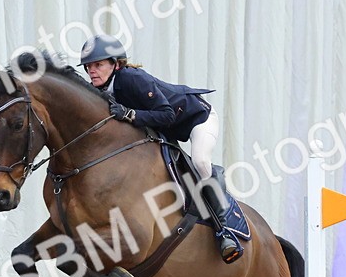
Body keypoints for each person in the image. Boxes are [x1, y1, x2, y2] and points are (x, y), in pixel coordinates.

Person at [80, 34, 242, 263]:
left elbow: (167, 114)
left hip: (197, 118)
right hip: (166, 129)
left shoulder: (131, 78)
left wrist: (130, 114)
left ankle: (223, 230)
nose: (92, 71)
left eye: (98, 65)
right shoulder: (99, 89)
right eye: (88, 67)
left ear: (116, 64)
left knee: (200, 162)